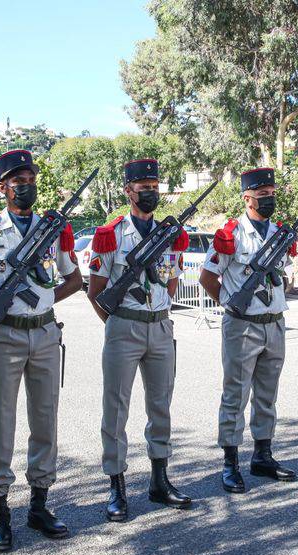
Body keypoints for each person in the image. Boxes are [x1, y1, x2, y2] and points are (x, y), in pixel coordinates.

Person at [0, 149, 82, 551]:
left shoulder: (53, 229)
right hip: (4, 337)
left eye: (30, 179)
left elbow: (74, 280)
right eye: (17, 180)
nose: (26, 186)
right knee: (1, 422)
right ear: (2, 187)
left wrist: (43, 301)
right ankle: (0, 512)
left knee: (45, 421)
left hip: (44, 334)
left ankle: (39, 505)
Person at [86, 158, 192, 522]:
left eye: (154, 186)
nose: (150, 192)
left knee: (161, 405)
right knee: (116, 409)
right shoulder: (110, 235)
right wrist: (117, 324)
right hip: (124, 328)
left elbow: (172, 279)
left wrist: (155, 313)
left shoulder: (168, 234)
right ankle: (117, 487)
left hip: (160, 326)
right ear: (128, 191)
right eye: (142, 187)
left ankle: (159, 480)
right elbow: (96, 291)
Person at [200, 167, 296, 493]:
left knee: (267, 396)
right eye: (262, 195)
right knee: (235, 395)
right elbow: (208, 277)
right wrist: (231, 303)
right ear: (247, 197)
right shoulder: (231, 235)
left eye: (271, 194)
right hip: (242, 326)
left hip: (274, 323)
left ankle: (263, 455)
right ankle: (230, 463)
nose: (268, 199)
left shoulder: (279, 234)